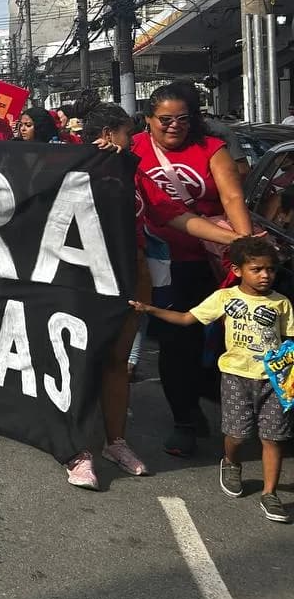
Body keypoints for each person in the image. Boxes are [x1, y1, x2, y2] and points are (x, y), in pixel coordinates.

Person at [61, 101, 243, 489]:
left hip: (132, 277)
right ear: (108, 135)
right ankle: (79, 451)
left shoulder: (133, 172)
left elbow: (173, 214)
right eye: (129, 134)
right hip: (85, 279)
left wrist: (236, 240)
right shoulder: (73, 167)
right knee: (82, 363)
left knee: (116, 363)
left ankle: (115, 442)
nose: (134, 141)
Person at [131, 237, 292, 522]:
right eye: (256, 269)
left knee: (273, 438)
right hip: (235, 376)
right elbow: (186, 319)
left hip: (273, 382)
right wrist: (150, 309)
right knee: (237, 435)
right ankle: (231, 462)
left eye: (270, 269)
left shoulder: (282, 303)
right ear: (238, 270)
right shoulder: (225, 298)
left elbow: (289, 339)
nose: (265, 275)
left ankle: (270, 493)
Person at [132, 82, 252, 457]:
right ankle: (184, 420)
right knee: (175, 343)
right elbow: (163, 212)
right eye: (165, 119)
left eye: (183, 119)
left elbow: (232, 196)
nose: (174, 126)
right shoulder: (133, 149)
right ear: (148, 119)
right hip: (163, 264)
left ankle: (217, 402)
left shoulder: (211, 148)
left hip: (213, 262)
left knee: (223, 340)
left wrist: (245, 248)